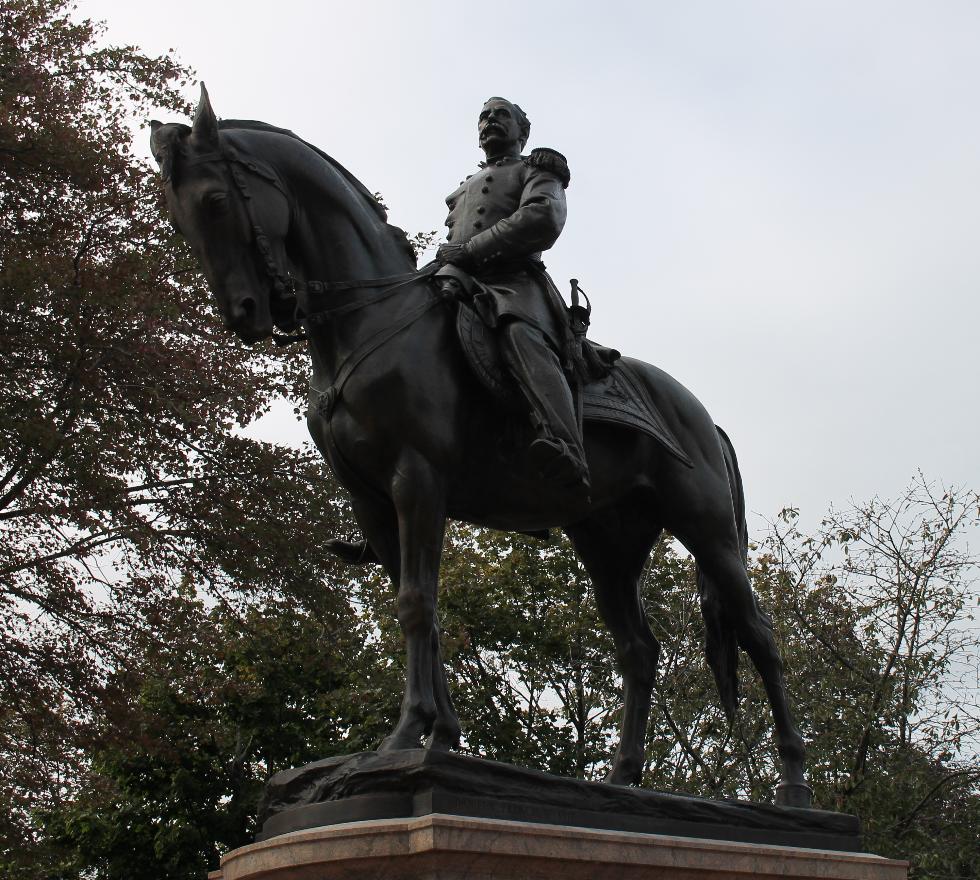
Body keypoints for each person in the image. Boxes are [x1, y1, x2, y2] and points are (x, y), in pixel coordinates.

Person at [435, 97, 589, 493]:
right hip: (458, 280)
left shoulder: (537, 168)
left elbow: (543, 217)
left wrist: (469, 251)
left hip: (515, 282)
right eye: (484, 116)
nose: (490, 121)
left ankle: (565, 446)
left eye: (501, 115)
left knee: (520, 333)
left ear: (523, 132)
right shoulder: (461, 188)